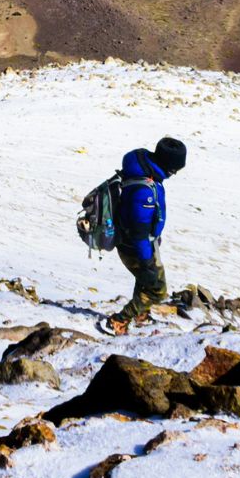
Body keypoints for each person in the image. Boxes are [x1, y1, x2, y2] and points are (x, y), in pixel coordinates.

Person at [103, 137, 187, 336]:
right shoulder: (144, 192)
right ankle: (119, 320)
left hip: (136, 242)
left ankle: (141, 315)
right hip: (135, 246)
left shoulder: (143, 168)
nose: (174, 174)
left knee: (144, 280)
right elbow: (139, 232)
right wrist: (147, 260)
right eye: (175, 169)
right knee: (156, 288)